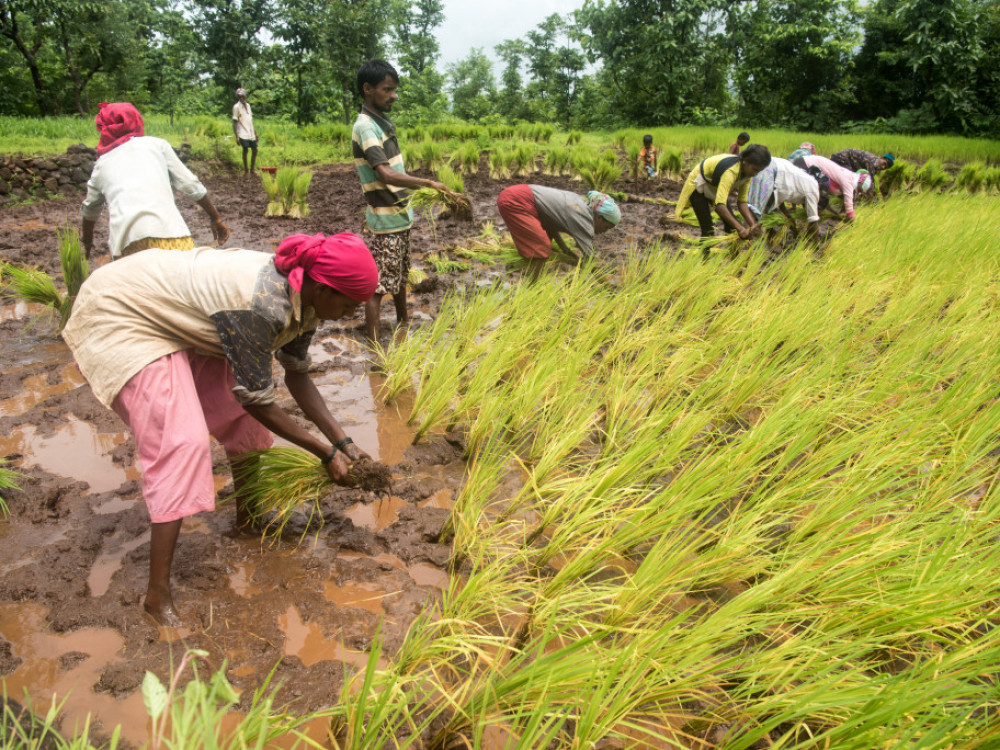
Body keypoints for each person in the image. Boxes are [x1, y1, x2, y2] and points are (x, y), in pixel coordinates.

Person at [61, 233, 378, 626]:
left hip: (185, 317)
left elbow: (297, 377)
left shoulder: (309, 302)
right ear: (320, 286)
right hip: (124, 312)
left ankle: (249, 521)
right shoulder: (260, 306)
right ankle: (156, 597)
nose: (349, 313)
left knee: (243, 426)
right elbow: (259, 401)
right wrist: (325, 453)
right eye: (347, 304)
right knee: (182, 442)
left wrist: (343, 442)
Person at [352, 59, 449, 346]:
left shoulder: (381, 123)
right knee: (379, 286)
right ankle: (374, 348)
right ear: (368, 89)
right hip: (386, 220)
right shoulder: (366, 127)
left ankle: (403, 321)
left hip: (399, 214)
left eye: (394, 89)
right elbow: (385, 173)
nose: (394, 95)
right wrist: (429, 183)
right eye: (388, 89)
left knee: (401, 274)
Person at [82, 102, 229, 260]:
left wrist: (88, 241)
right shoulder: (157, 145)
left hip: (127, 246)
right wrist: (216, 217)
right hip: (173, 237)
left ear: (104, 129)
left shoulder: (102, 164)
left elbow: (90, 210)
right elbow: (190, 184)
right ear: (137, 121)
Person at [496, 185, 621, 279]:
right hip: (516, 201)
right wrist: (608, 287)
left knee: (543, 244)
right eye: (607, 227)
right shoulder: (582, 219)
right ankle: (532, 289)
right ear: (599, 218)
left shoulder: (581, 205)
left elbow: (552, 224)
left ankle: (519, 270)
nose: (604, 232)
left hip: (517, 195)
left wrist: (565, 249)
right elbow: (589, 260)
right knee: (541, 246)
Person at [675, 144, 772, 243]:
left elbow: (742, 202)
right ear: (745, 161)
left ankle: (731, 256)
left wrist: (753, 225)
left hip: (714, 187)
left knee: (731, 227)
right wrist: (741, 229)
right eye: (754, 169)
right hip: (698, 185)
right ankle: (705, 257)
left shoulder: (748, 174)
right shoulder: (731, 172)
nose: (755, 174)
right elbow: (719, 206)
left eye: (759, 171)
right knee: (708, 230)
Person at [746, 157, 825, 239]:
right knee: (754, 216)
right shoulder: (813, 187)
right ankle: (741, 241)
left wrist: (790, 221)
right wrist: (816, 245)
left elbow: (781, 199)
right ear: (819, 184)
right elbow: (813, 221)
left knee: (759, 212)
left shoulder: (803, 178)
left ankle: (769, 238)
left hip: (766, 163)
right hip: (771, 174)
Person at [797, 154, 873, 222]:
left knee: (819, 200)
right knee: (817, 200)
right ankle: (811, 226)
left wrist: (835, 214)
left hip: (807, 165)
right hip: (806, 164)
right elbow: (848, 201)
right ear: (859, 183)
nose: (858, 191)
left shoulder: (847, 177)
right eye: (860, 189)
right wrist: (851, 218)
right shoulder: (849, 179)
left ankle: (810, 220)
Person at [232, 88, 258, 175]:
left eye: (242, 96)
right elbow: (234, 122)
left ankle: (252, 170)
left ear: (245, 96)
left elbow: (250, 120)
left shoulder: (248, 105)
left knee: (255, 150)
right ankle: (246, 171)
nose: (241, 98)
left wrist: (255, 132)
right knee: (245, 149)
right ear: (238, 97)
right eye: (239, 96)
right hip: (242, 132)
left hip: (250, 132)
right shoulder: (236, 107)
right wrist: (237, 136)